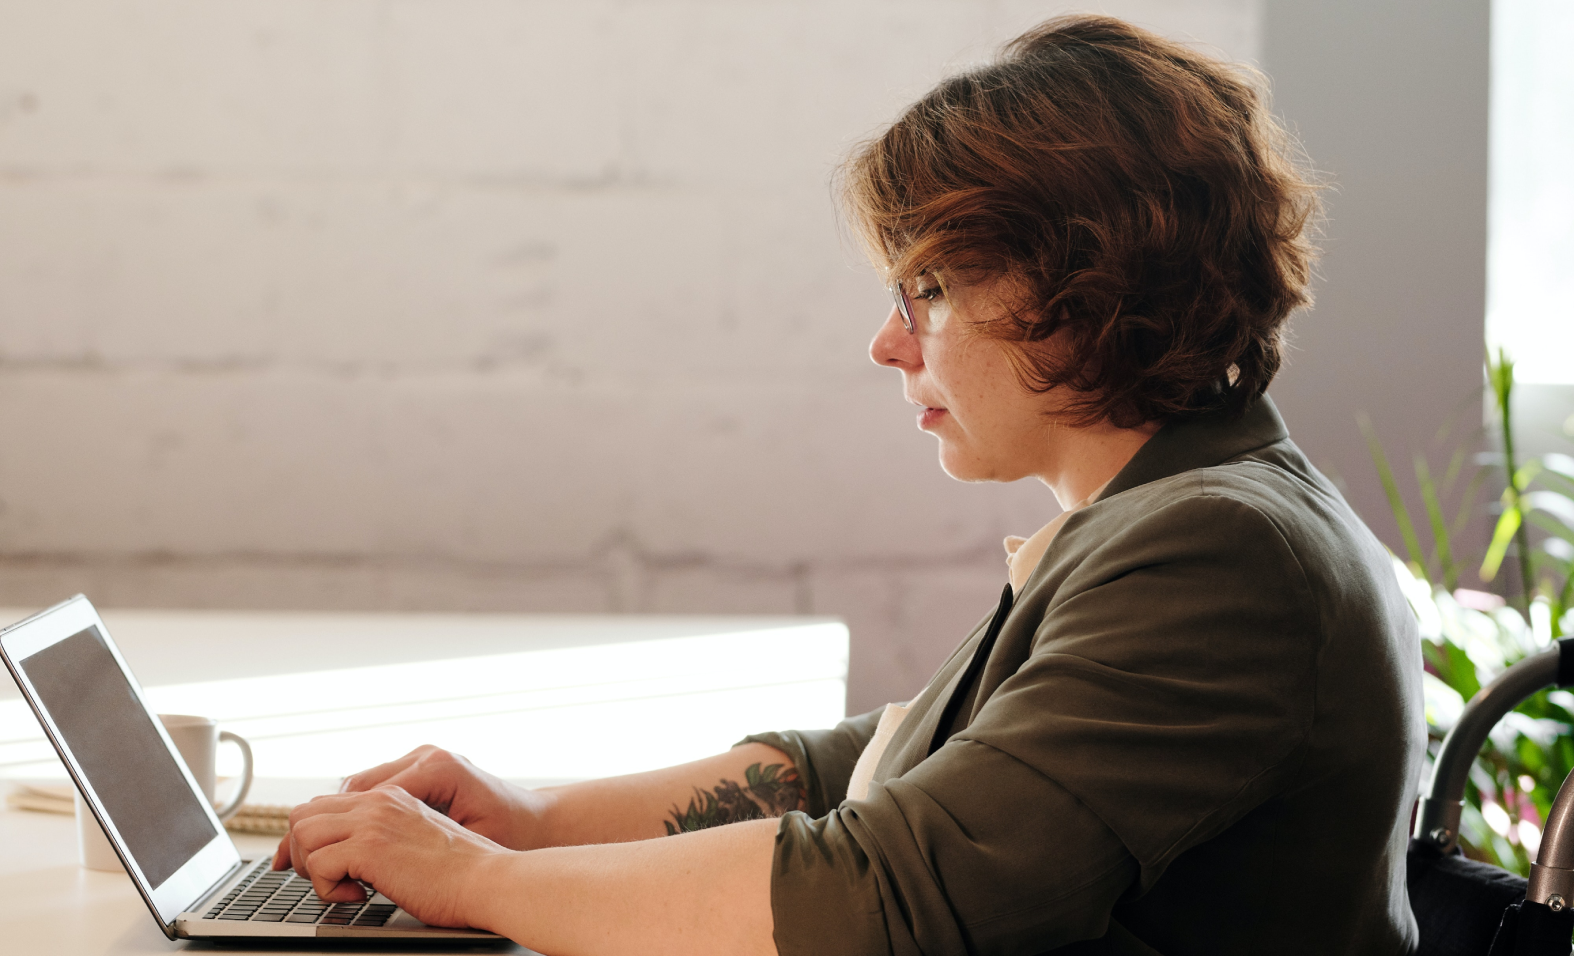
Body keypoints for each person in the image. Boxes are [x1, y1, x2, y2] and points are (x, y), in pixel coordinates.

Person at [273, 15, 1424, 955]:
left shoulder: (1221, 553)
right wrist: (524, 819)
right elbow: (876, 765)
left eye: (924, 287)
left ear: (1079, 289)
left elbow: (890, 894)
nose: (887, 342)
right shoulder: (1181, 508)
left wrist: (471, 880)